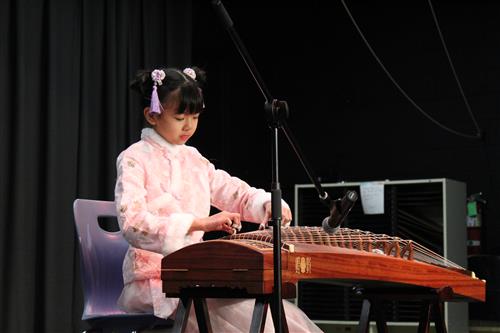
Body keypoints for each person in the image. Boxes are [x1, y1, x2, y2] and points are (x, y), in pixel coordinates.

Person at [115, 66, 323, 332]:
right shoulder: (135, 157)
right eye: (180, 117)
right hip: (154, 281)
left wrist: (266, 204)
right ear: (152, 115)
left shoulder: (195, 160)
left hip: (193, 277)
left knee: (276, 315)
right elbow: (132, 223)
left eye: (195, 117)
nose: (189, 125)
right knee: (248, 319)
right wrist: (201, 224)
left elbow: (233, 191)